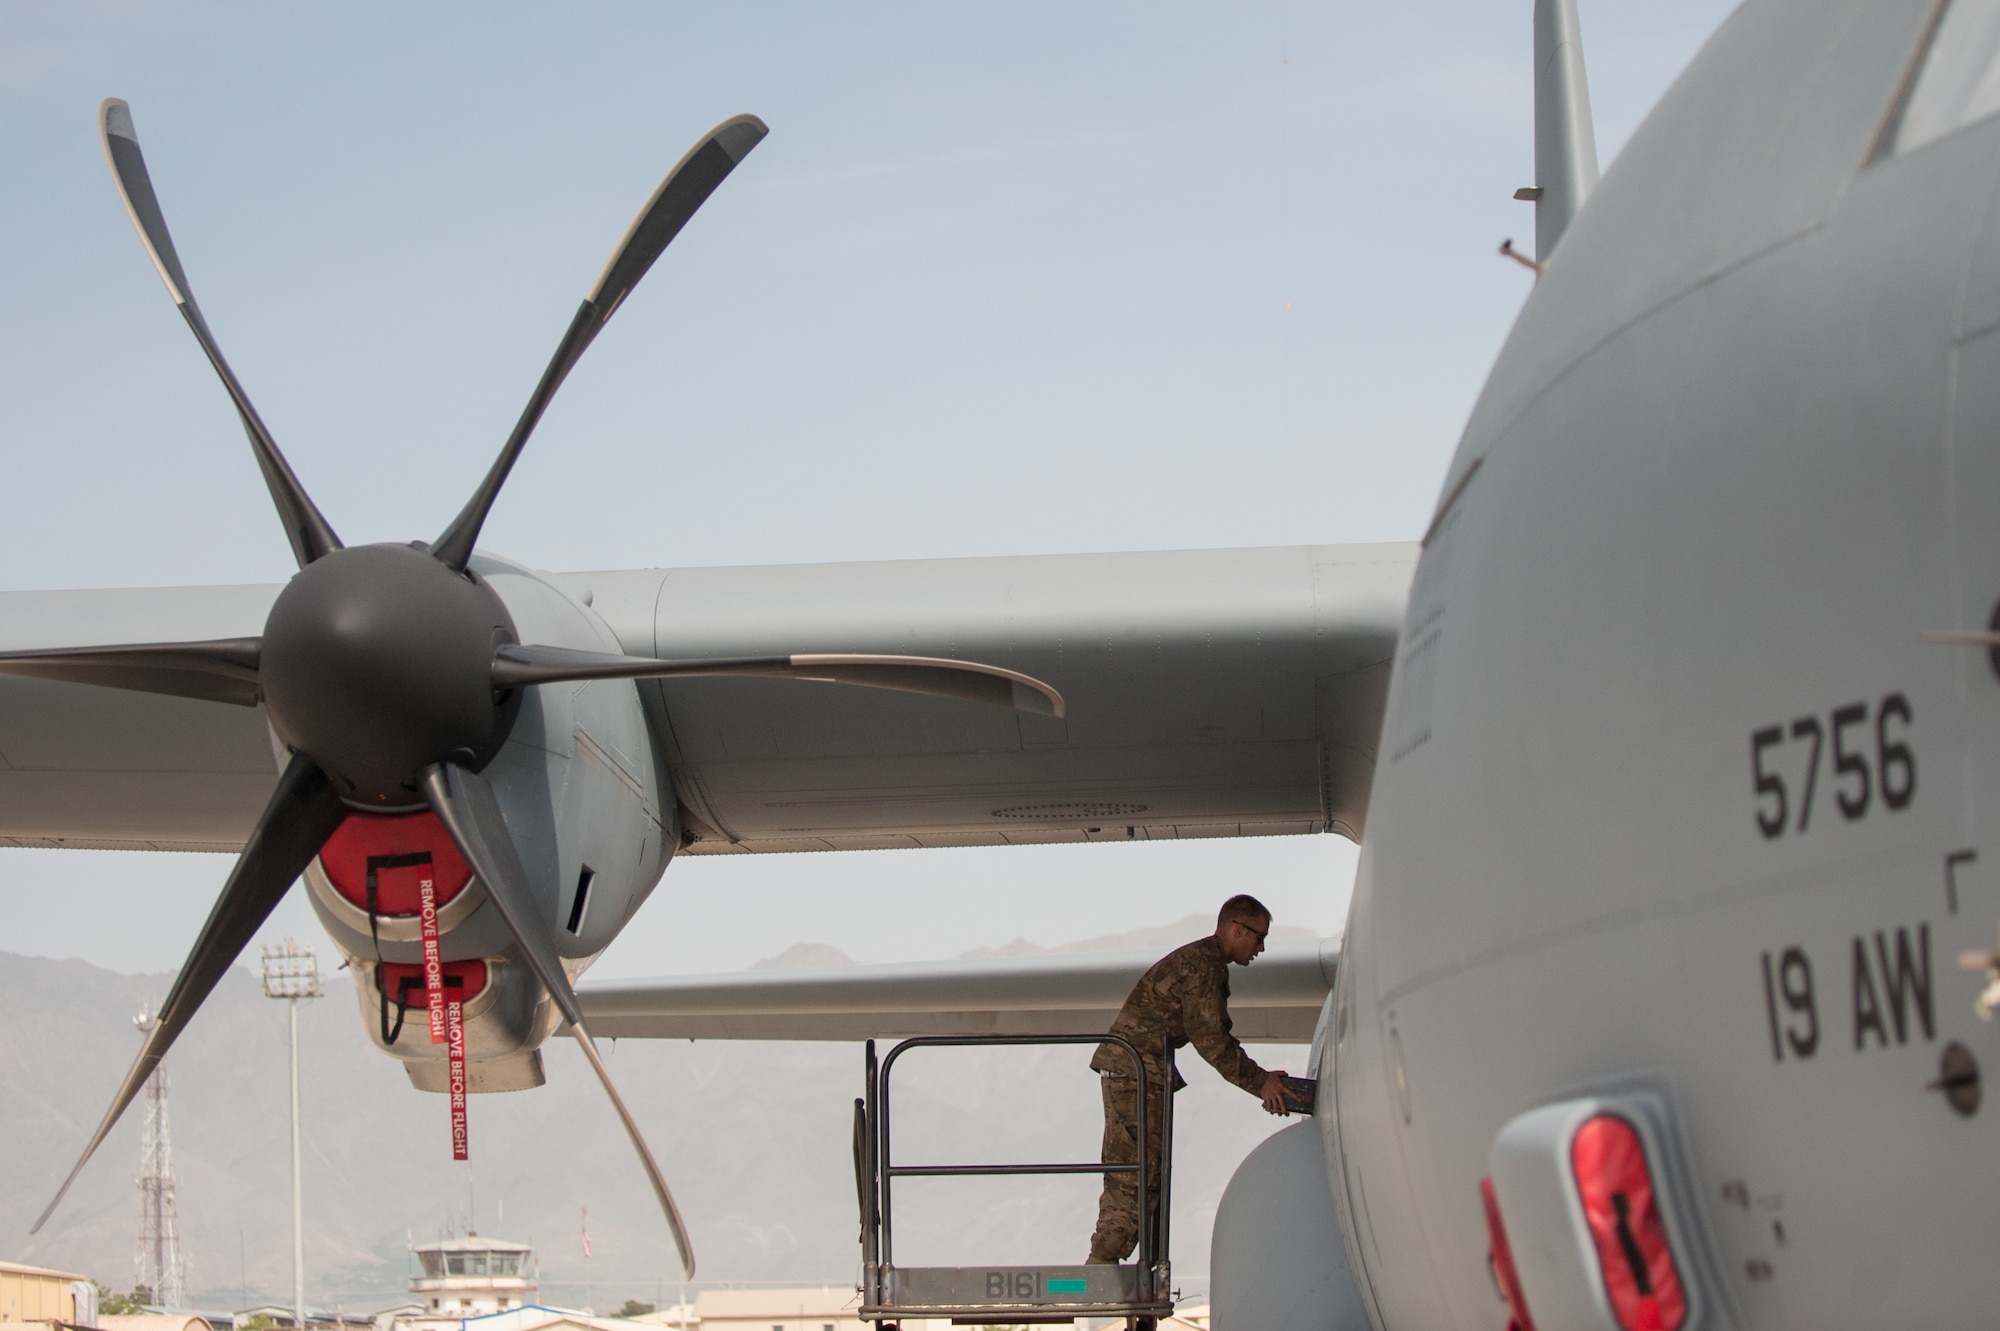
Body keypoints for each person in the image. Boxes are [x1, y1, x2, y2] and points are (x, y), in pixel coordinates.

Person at [1086, 894, 1292, 1266]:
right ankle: (1103, 1261)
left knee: (1138, 1168)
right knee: (1136, 1173)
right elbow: (1212, 1040)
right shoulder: (1205, 968)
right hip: (1136, 1072)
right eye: (1259, 937)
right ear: (1236, 929)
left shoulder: (1204, 961)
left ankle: (1107, 1258)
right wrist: (1261, 1083)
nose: (1261, 948)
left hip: (1137, 1070)